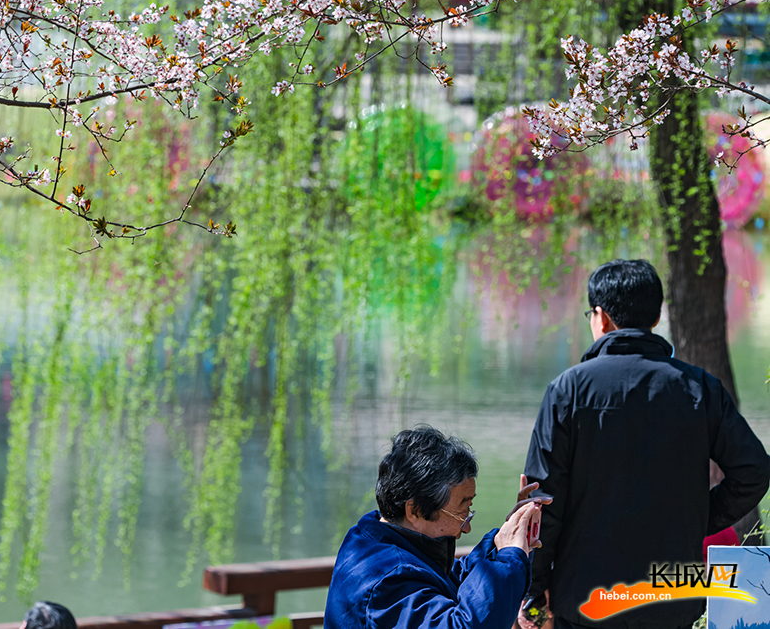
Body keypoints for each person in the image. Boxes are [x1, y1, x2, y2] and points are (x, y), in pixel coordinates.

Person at [521, 259, 770, 629]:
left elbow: (542, 499)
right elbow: (753, 471)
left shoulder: (568, 391)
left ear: (601, 318)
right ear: (655, 319)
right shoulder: (699, 389)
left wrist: (535, 585)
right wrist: (698, 518)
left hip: (586, 596)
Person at [324, 425, 548, 629]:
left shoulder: (373, 538)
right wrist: (509, 558)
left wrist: (503, 543)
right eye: (462, 510)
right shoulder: (388, 581)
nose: (466, 528)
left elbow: (450, 580)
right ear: (415, 510)